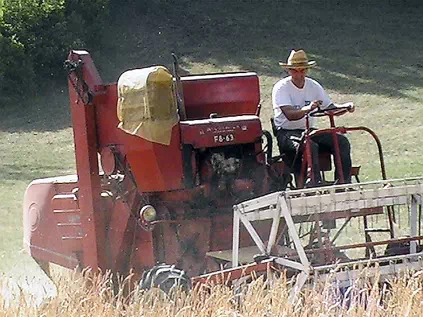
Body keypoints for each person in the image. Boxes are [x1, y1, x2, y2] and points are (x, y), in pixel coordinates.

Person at [272, 49, 354, 186]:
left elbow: (329, 108)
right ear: (289, 71)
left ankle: (344, 182)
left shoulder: (313, 86)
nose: (299, 74)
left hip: (309, 131)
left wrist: (345, 107)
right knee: (309, 145)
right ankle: (314, 182)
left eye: (302, 70)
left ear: (307, 70)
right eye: (295, 71)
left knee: (341, 141)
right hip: (287, 133)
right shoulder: (281, 88)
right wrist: (308, 108)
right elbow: (290, 115)